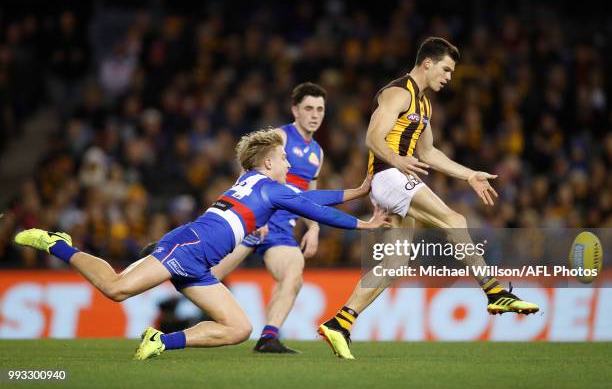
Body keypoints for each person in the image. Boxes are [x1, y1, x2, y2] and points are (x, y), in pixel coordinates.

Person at [14, 129, 389, 361]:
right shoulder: (269, 186)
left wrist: (355, 192)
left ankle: (160, 341)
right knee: (116, 288)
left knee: (238, 328)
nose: (288, 161)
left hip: (200, 262)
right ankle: (59, 244)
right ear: (271, 161)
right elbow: (311, 207)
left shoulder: (258, 182)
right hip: (190, 245)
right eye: (284, 158)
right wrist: (364, 223)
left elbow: (311, 198)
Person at [317, 37, 539, 360]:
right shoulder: (397, 93)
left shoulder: (424, 105)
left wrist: (469, 174)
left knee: (395, 262)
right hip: (388, 177)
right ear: (427, 64)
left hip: (397, 179)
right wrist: (397, 161)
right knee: (455, 220)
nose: (449, 77)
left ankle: (341, 322)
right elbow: (372, 137)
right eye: (446, 69)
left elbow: (428, 152)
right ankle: (494, 291)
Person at [200, 82, 329, 353]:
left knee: (294, 273)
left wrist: (314, 228)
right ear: (295, 110)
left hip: (282, 230)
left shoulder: (317, 153)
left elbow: (310, 193)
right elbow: (248, 170)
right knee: (209, 274)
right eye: (308, 108)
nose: (314, 114)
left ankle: (268, 337)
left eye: (320, 109)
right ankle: (168, 291)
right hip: (254, 220)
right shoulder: (280, 137)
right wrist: (253, 210)